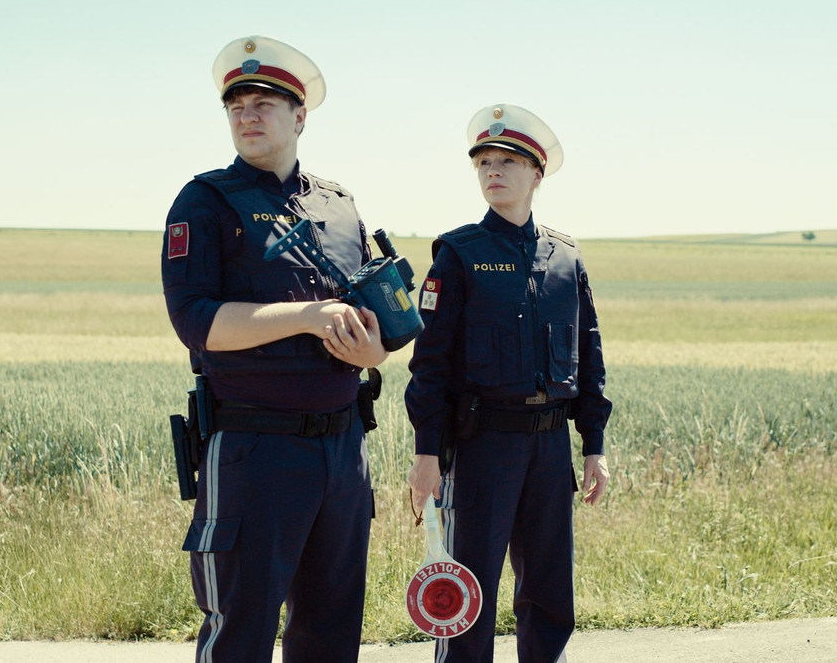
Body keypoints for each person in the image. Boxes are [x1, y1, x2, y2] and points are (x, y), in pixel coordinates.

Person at [161, 36, 388, 663]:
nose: (247, 115)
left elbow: (377, 326)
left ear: (300, 116)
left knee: (331, 632)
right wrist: (310, 317)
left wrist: (372, 354)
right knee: (241, 631)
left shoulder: (340, 208)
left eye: (264, 103)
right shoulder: (205, 202)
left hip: (342, 452)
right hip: (254, 452)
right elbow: (196, 322)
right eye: (236, 106)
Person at [405, 104, 613, 662]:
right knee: (468, 592)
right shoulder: (458, 254)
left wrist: (593, 447)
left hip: (549, 448)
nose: (493, 171)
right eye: (484, 162)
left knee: (549, 590)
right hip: (481, 447)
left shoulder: (566, 257)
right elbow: (430, 364)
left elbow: (588, 355)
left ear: (536, 175)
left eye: (507, 162)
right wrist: (428, 453)